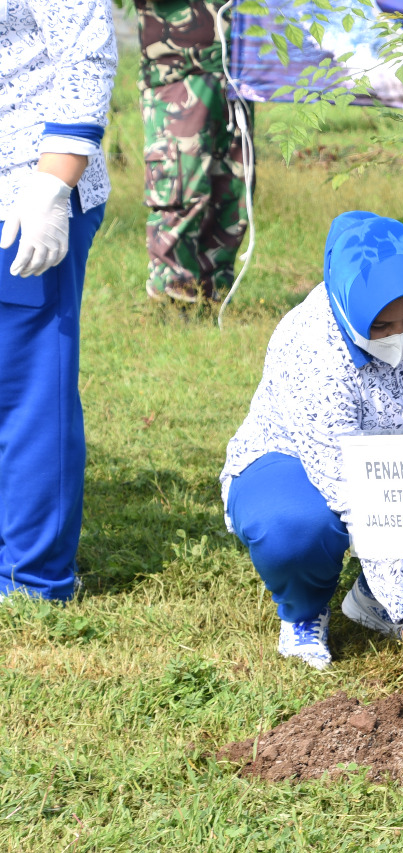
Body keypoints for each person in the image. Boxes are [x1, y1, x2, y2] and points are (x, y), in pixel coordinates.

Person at [220, 212, 403, 702]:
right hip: (300, 461)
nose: (399, 335)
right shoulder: (311, 344)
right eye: (380, 325)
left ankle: (376, 598)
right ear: (346, 307)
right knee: (294, 527)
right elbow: (353, 491)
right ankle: (304, 610)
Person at [0, 0, 117, 602]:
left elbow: (85, 50)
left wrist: (51, 183)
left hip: (21, 194)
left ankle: (29, 578)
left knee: (24, 389)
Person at [135, 0, 250, 303]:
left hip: (238, 73)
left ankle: (214, 299)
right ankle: (172, 303)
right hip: (177, 70)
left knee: (233, 191)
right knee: (181, 190)